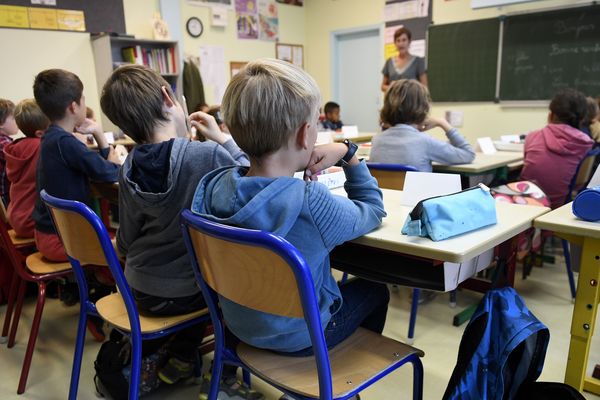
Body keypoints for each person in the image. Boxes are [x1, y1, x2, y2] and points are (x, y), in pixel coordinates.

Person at [191, 59, 389, 388]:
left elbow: (249, 172)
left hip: (239, 326)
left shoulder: (213, 188)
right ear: (305, 134)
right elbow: (372, 208)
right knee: (374, 290)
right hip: (302, 338)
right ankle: (340, 379)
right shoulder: (311, 201)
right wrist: (348, 154)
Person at [100, 65, 261, 399]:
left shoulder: (128, 165)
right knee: (234, 287)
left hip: (138, 290)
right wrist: (222, 138)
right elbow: (257, 180)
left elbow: (126, 241)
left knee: (200, 277)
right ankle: (224, 378)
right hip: (187, 291)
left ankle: (182, 355)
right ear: (167, 97)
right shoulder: (207, 155)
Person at [32, 68, 122, 262]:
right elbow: (112, 173)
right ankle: (103, 281)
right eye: (83, 100)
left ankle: (93, 281)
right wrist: (105, 146)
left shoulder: (51, 137)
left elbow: (100, 168)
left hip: (46, 234)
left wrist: (98, 134)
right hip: (63, 240)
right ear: (73, 107)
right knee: (128, 248)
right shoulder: (66, 143)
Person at [370, 79, 475, 172]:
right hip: (420, 194)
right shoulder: (425, 142)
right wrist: (442, 123)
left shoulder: (377, 140)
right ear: (423, 108)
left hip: (385, 194)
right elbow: (468, 154)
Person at [520, 88, 594, 209]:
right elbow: (578, 184)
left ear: (551, 115)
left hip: (527, 203)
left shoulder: (532, 136)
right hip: (560, 208)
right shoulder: (585, 143)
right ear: (582, 119)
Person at [5, 99, 49, 238]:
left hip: (16, 217)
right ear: (40, 133)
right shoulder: (42, 147)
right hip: (32, 222)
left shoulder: (17, 147)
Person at [381, 27, 427, 92]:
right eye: (398, 40)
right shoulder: (389, 62)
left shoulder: (418, 61)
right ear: (395, 43)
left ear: (409, 41)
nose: (401, 44)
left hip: (411, 101)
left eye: (404, 40)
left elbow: (425, 87)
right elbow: (382, 86)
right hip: (393, 101)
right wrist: (392, 87)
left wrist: (407, 89)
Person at [0, 99, 17, 205]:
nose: (17, 121)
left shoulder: (6, 141)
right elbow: (17, 156)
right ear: (1, 123)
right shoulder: (3, 143)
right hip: (5, 196)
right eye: (13, 118)